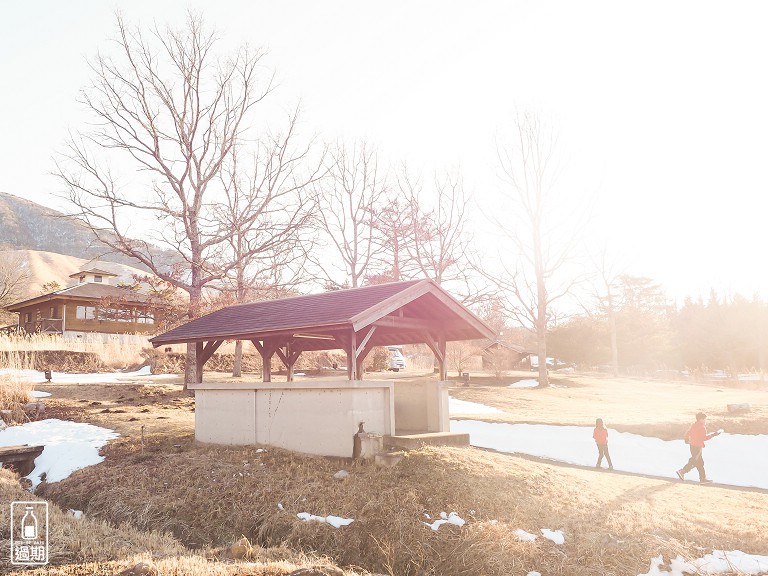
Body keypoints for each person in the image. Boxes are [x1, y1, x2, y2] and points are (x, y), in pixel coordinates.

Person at [676, 411, 721, 483]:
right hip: (697, 447)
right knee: (695, 461)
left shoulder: (694, 425)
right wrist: (713, 435)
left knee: (699, 462)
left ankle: (702, 479)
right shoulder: (702, 427)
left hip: (692, 446)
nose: (706, 421)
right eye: (705, 419)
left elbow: (688, 432)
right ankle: (683, 471)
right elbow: (703, 438)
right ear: (701, 419)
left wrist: (686, 439)